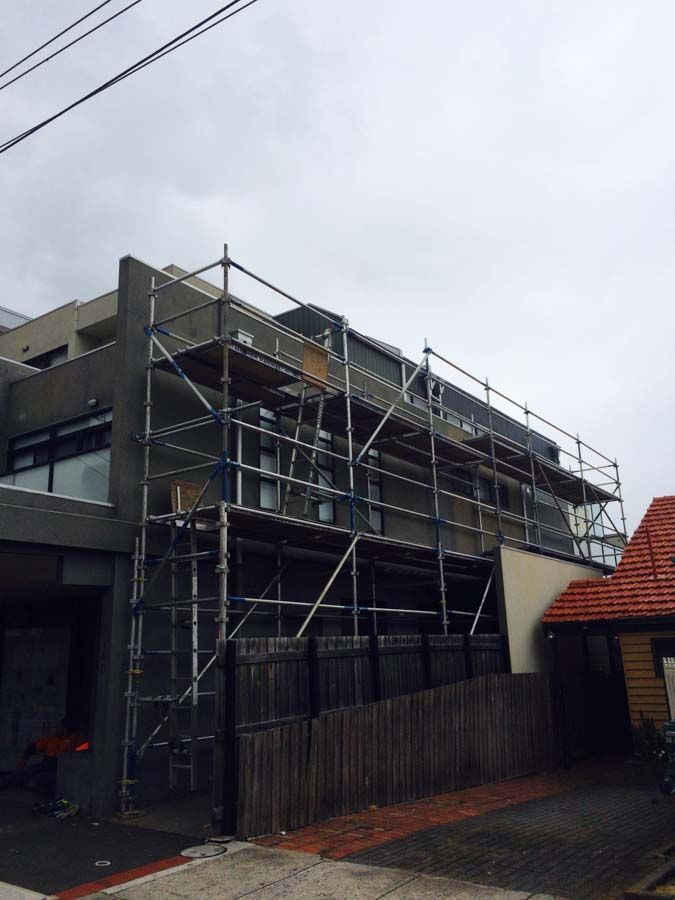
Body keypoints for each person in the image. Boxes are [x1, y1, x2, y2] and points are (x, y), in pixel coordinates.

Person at [0, 717, 84, 791]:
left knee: (39, 780)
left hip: (57, 770)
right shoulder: (53, 738)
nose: (57, 728)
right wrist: (23, 760)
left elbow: (81, 754)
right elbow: (33, 746)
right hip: (44, 765)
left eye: (60, 727)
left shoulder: (75, 741)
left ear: (65, 729)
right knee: (23, 773)